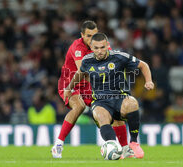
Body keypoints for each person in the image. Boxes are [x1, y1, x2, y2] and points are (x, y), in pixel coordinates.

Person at [64, 33, 154, 158]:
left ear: (107, 45)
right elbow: (80, 73)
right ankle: (114, 147)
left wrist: (148, 81)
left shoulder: (119, 57)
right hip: (100, 101)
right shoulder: (87, 60)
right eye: (96, 48)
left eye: (102, 47)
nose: (99, 51)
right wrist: (69, 88)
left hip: (119, 97)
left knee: (132, 102)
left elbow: (143, 65)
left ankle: (133, 143)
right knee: (100, 115)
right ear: (91, 47)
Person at [52, 21, 130, 159]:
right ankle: (58, 145)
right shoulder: (77, 47)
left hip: (91, 85)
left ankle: (125, 149)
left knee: (115, 110)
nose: (92, 39)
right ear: (82, 35)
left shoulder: (101, 44)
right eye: (88, 36)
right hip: (71, 83)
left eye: (94, 35)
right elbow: (84, 72)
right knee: (79, 106)